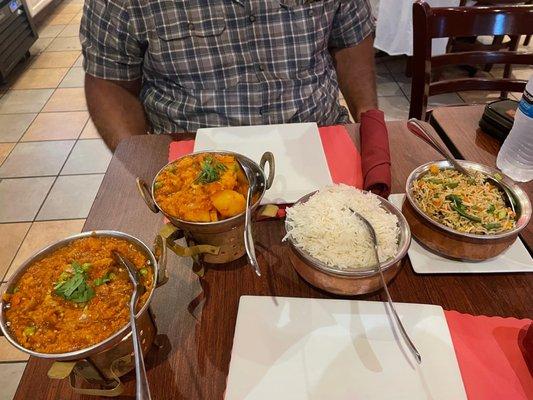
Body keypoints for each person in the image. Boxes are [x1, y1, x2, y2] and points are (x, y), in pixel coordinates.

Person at [81, 0, 378, 151]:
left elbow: (351, 37)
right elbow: (110, 80)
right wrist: (139, 161)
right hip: (191, 156)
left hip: (320, 136)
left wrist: (369, 123)